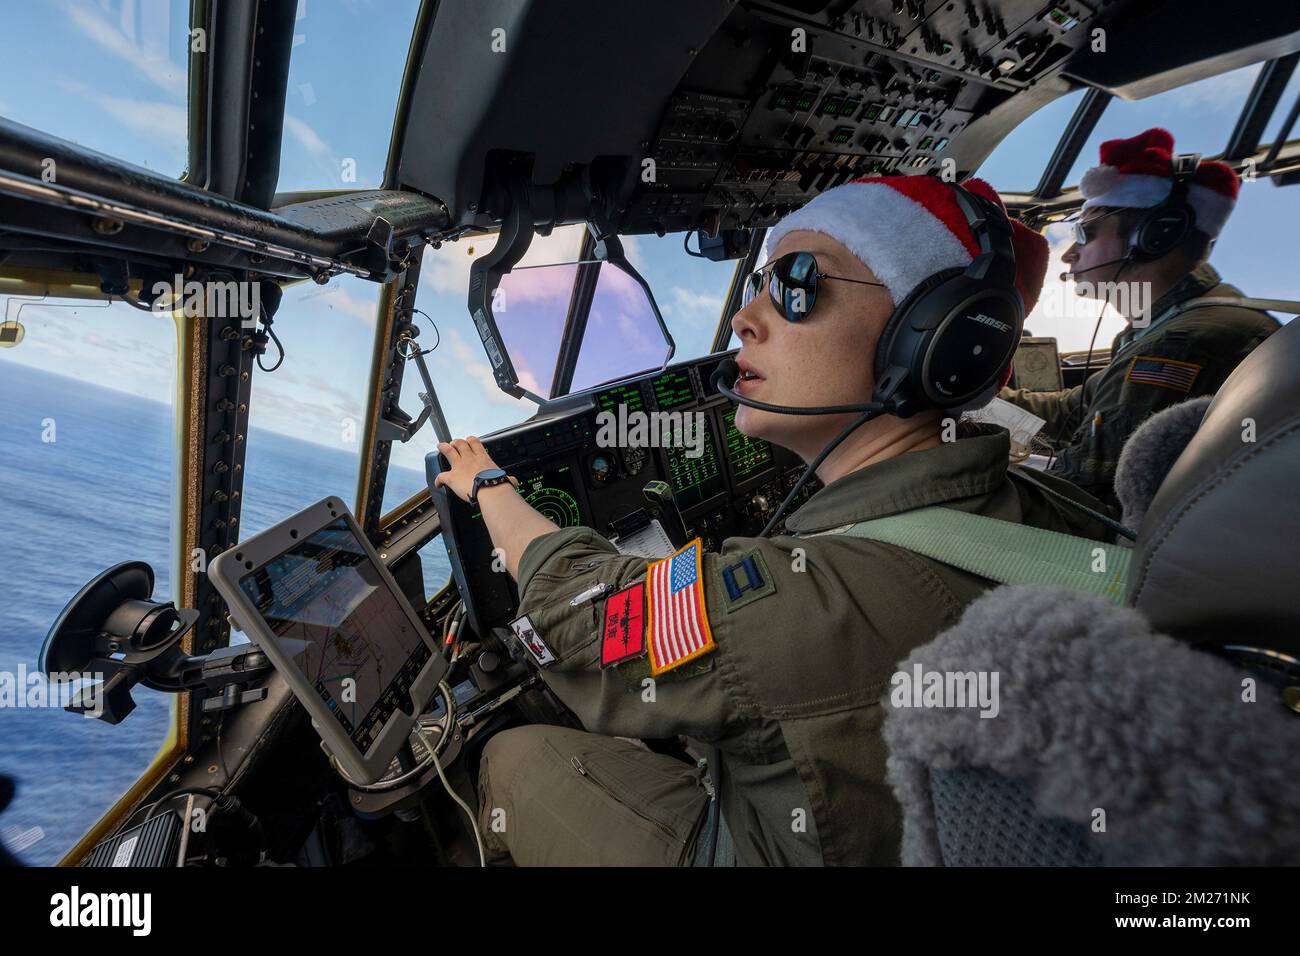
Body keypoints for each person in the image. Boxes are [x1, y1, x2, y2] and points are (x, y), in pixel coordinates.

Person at [434, 175, 1110, 866]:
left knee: (515, 754)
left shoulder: (814, 602)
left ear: (928, 339)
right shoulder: (1045, 510)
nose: (742, 319)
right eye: (758, 282)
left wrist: (488, 484)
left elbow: (577, 629)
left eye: (795, 283)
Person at [1001, 127, 1278, 510]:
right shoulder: (1167, 326)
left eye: (1085, 233)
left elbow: (1082, 497)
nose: (1069, 255)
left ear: (1153, 237)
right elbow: (1070, 412)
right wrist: (978, 401)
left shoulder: (1179, 345)